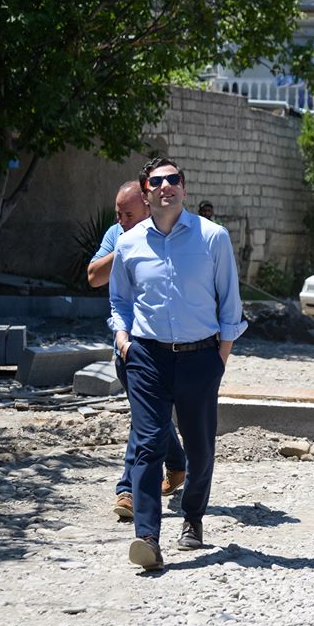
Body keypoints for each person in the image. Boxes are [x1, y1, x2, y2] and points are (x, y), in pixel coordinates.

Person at [110, 157, 246, 571]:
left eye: (174, 179)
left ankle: (192, 517)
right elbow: (120, 299)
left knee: (200, 449)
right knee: (148, 444)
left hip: (200, 357)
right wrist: (123, 338)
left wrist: (221, 355)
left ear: (183, 188)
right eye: (157, 181)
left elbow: (230, 301)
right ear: (145, 193)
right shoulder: (129, 243)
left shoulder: (212, 237)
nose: (166, 186)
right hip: (146, 358)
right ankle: (147, 537)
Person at [86, 182, 187, 518]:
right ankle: (177, 463)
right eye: (118, 213)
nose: (121, 220)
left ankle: (128, 490)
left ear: (147, 207)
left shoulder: (172, 236)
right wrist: (128, 246)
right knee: (150, 415)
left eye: (128, 214)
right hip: (126, 343)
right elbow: (93, 276)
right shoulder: (118, 235)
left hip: (161, 344)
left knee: (144, 418)